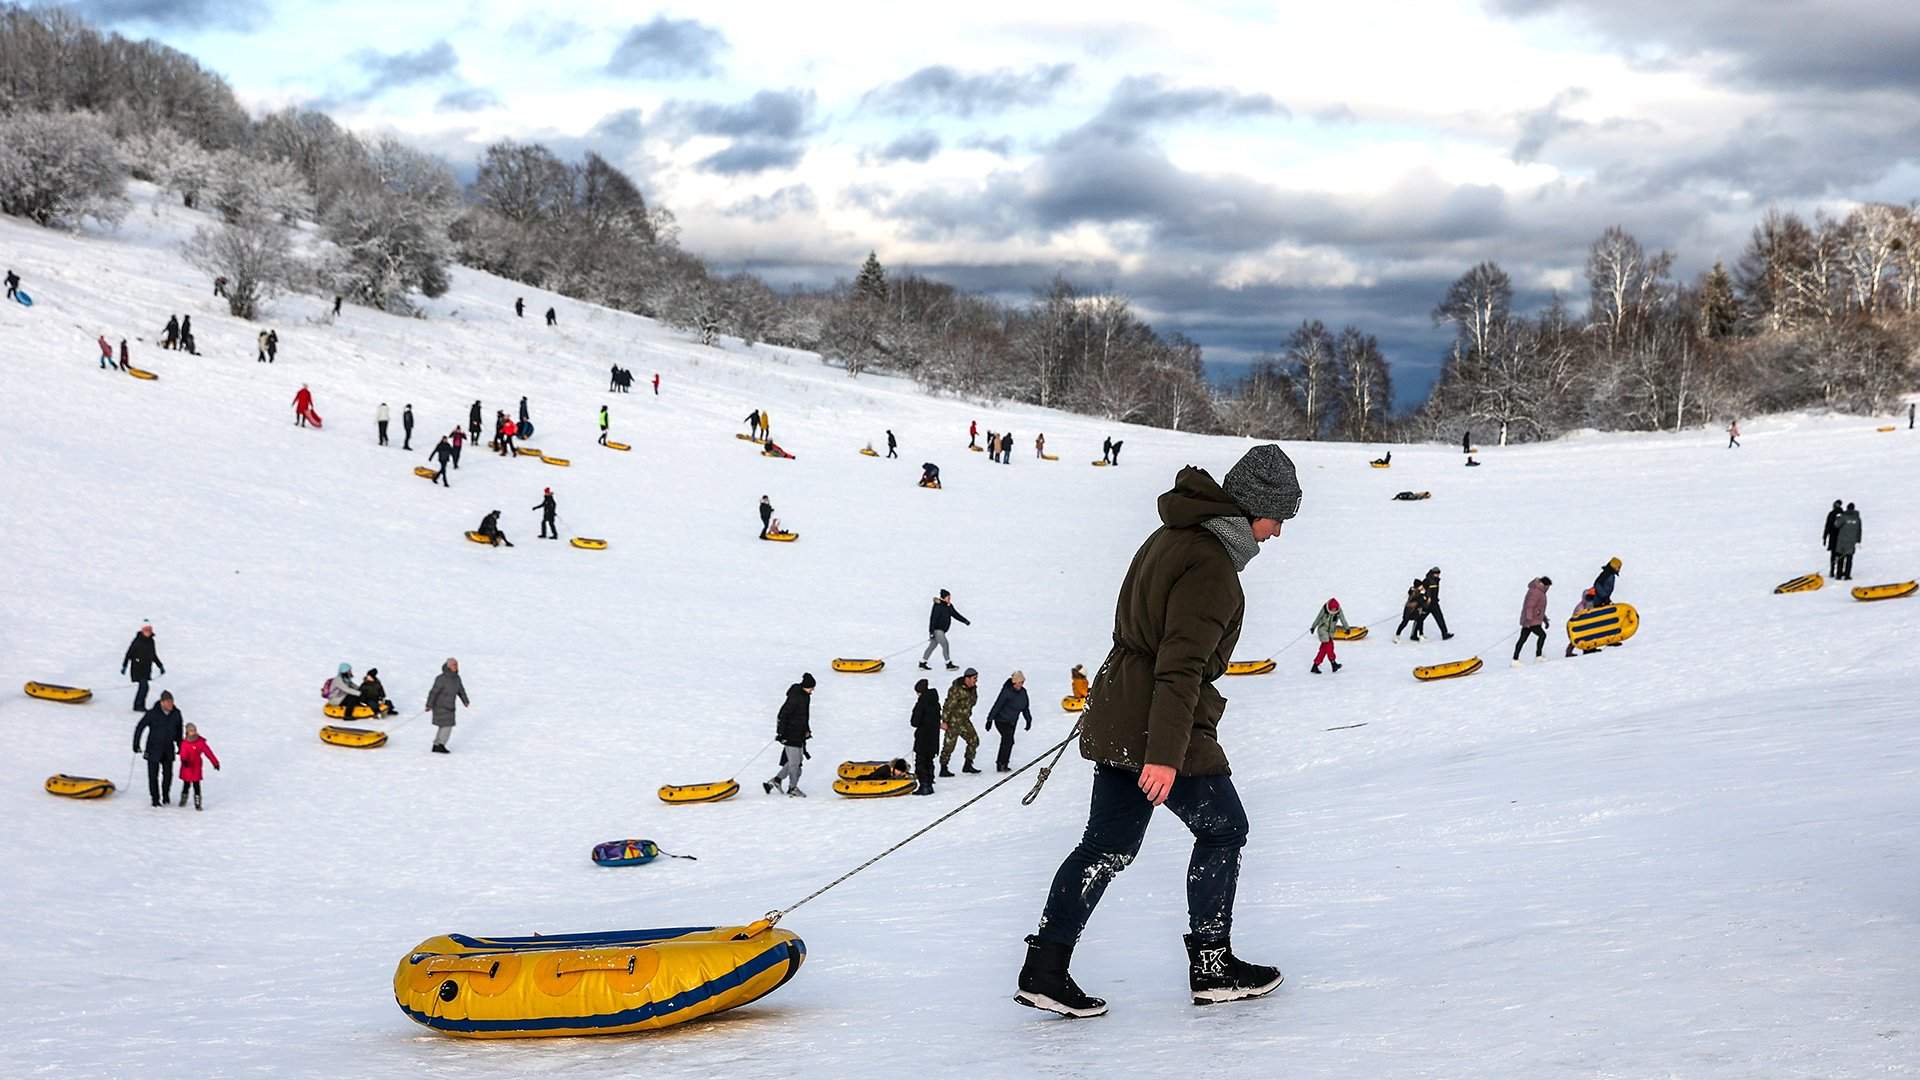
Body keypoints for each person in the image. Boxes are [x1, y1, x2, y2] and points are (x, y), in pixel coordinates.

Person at [1016, 443, 1300, 1019]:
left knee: (1107, 846)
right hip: (1162, 722)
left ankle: (1044, 969)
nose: (1277, 533)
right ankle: (1212, 968)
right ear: (1254, 509)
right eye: (1279, 518)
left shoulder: (1170, 535)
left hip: (1125, 710)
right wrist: (1166, 754)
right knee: (1225, 829)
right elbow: (1181, 665)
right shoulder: (1212, 567)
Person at [764, 673, 815, 796]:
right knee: (794, 764)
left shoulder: (806, 696)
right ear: (805, 686)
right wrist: (781, 733)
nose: (812, 690)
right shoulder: (795, 698)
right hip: (790, 734)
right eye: (811, 688)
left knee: (797, 760)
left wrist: (807, 730)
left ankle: (776, 780)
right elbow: (782, 715)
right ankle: (793, 788)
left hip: (799, 734)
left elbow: (804, 716)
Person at [132, 691, 184, 807]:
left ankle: (165, 795)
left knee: (168, 775)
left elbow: (179, 731)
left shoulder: (176, 713)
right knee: (153, 776)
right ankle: (155, 799)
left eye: (172, 702)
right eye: (168, 702)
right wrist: (136, 744)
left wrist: (180, 746)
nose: (170, 704)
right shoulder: (152, 713)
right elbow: (140, 727)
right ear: (162, 702)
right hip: (153, 749)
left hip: (168, 750)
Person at [938, 668, 982, 777]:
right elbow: (948, 705)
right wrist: (944, 721)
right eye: (974, 678)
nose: (975, 681)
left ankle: (968, 764)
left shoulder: (973, 689)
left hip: (964, 720)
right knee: (949, 745)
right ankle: (943, 767)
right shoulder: (956, 689)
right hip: (953, 721)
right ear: (967, 678)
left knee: (974, 740)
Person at [986, 671, 1033, 772]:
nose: (1021, 684)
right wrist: (989, 719)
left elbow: (1025, 708)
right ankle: (1001, 764)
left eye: (1022, 682)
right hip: (1001, 720)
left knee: (1009, 741)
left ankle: (1004, 763)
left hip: (1012, 721)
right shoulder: (1006, 692)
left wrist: (1028, 720)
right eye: (1020, 682)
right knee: (1008, 740)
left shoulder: (1023, 693)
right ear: (1014, 682)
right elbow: (997, 705)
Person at [920, 589, 970, 670]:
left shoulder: (949, 606)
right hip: (937, 630)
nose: (950, 599)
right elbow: (933, 619)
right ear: (943, 597)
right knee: (945, 644)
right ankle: (948, 664)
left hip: (942, 630)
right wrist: (931, 632)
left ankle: (922, 663)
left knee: (932, 646)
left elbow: (955, 614)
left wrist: (965, 621)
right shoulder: (938, 606)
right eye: (948, 597)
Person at [426, 658, 468, 753]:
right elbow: (434, 692)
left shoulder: (457, 678)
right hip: (440, 706)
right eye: (454, 665)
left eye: (457, 665)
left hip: (450, 707)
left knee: (444, 725)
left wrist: (465, 701)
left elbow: (461, 690)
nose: (456, 667)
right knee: (447, 725)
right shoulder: (441, 678)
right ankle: (440, 744)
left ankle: (437, 744)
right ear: (448, 666)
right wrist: (429, 705)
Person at [121, 623, 165, 712]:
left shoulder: (151, 641)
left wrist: (160, 666)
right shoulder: (137, 641)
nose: (148, 632)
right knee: (144, 686)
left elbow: (153, 655)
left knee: (144, 687)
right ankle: (138, 706)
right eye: (146, 630)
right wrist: (124, 666)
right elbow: (128, 654)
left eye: (149, 630)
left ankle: (139, 705)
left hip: (147, 669)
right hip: (137, 668)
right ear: (142, 631)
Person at [176, 722, 219, 811]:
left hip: (196, 767)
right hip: (187, 768)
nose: (194, 732)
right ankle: (183, 799)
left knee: (197, 786)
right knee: (186, 785)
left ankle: (198, 803)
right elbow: (183, 754)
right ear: (187, 732)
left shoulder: (200, 742)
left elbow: (208, 752)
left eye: (194, 730)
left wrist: (215, 762)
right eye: (191, 731)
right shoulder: (184, 743)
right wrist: (184, 761)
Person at [910, 678, 941, 796]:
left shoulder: (921, 703)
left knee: (921, 762)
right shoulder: (936, 702)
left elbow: (914, 722)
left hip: (923, 738)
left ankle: (924, 785)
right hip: (934, 738)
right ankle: (930, 783)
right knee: (929, 760)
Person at [1513, 576, 1552, 666]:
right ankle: (1538, 656)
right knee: (1542, 635)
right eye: (1548, 586)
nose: (1548, 589)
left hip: (1533, 620)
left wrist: (1544, 619)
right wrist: (1528, 620)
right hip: (1531, 621)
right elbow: (1529, 606)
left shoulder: (1539, 592)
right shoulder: (1536, 592)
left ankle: (1515, 659)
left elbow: (1539, 609)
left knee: (1523, 639)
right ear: (1545, 585)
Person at [1309, 598, 1348, 674]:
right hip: (1322, 630)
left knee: (1323, 649)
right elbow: (1318, 617)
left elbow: (1343, 619)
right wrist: (1313, 627)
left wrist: (1347, 628)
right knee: (1329, 645)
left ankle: (1315, 665)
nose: (1333, 610)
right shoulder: (1325, 609)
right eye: (1332, 609)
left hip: (1330, 632)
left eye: (1335, 609)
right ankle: (1333, 663)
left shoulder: (1338, 610)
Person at [1421, 566, 1453, 640]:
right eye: (1437, 573)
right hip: (1427, 604)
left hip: (1434, 603)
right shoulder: (1427, 580)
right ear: (1433, 573)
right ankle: (1414, 634)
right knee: (1420, 619)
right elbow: (1422, 591)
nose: (1438, 575)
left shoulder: (1436, 580)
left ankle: (1444, 633)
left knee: (1440, 618)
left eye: (1439, 573)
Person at [1565, 588, 1598, 658]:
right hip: (1578, 625)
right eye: (1589, 596)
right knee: (1577, 637)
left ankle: (1591, 648)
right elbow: (1577, 617)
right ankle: (1569, 651)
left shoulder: (1590, 603)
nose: (1591, 598)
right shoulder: (1581, 606)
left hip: (1587, 623)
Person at [1394, 578, 1428, 642]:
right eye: (1421, 586)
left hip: (1414, 610)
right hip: (1409, 611)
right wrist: (1424, 598)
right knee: (1404, 623)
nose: (1422, 587)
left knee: (1420, 620)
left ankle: (1420, 634)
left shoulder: (1415, 591)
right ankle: (1397, 635)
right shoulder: (1415, 593)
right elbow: (1419, 601)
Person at [1833, 503, 1862, 580]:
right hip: (1851, 542)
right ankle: (1847, 575)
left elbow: (1836, 525)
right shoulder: (1857, 518)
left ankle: (1839, 574)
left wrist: (1837, 518)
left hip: (1842, 541)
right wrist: (1858, 540)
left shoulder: (1844, 517)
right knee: (1849, 559)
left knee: (1840, 559)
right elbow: (1859, 530)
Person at [1823, 499, 1845, 577]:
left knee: (1833, 555)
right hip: (1841, 538)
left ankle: (1832, 571)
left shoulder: (1831, 514)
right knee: (1841, 555)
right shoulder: (1843, 514)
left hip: (1833, 537)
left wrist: (1824, 537)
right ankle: (1840, 571)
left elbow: (1827, 526)